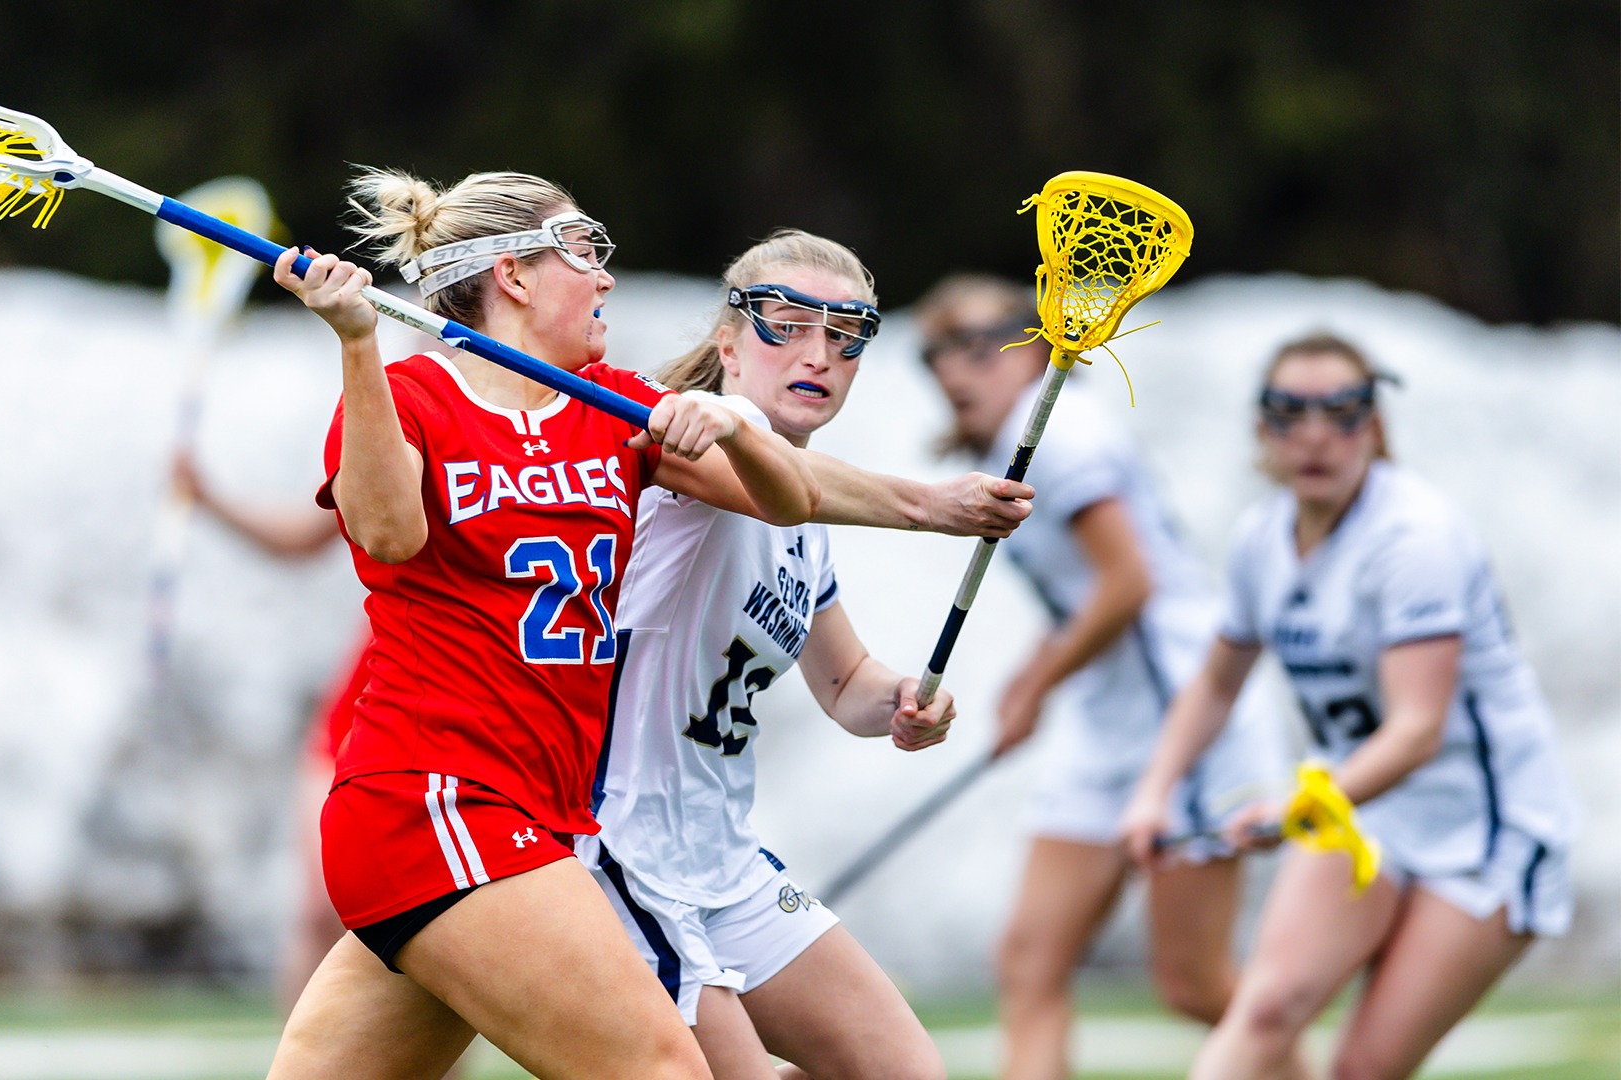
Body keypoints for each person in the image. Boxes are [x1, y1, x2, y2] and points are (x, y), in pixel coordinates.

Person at [265, 168, 821, 1080]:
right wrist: (357, 343)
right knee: (666, 1070)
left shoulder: (610, 404)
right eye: (583, 250)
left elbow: (788, 499)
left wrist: (743, 429)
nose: (605, 276)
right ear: (514, 276)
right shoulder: (414, 395)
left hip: (535, 810)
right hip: (437, 798)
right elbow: (388, 535)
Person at [583, 232, 1035, 1080]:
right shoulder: (686, 446)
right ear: (728, 343)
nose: (817, 354)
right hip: (619, 853)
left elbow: (846, 685)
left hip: (724, 857)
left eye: (845, 336)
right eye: (786, 325)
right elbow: (761, 476)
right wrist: (934, 503)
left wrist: (907, 698)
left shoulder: (805, 518)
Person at [1119, 333, 1576, 1080]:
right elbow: (1215, 683)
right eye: (1289, 413)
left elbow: (1418, 730)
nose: (1315, 436)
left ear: (1375, 423)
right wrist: (1153, 791)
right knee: (1266, 1010)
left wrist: (1296, 808)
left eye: (1342, 412)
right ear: (1260, 429)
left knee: (1364, 1067)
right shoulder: (1261, 538)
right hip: (1361, 808)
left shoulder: (1414, 539)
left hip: (1488, 827)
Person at [916, 274, 1285, 1080]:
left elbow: (1128, 582)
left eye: (980, 346)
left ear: (1037, 344)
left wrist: (1036, 682)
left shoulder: (1065, 431)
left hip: (1186, 721)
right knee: (1029, 959)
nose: (955, 370)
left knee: (1191, 982)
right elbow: (1087, 599)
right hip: (1105, 729)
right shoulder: (1010, 438)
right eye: (938, 353)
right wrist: (1043, 680)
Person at [166, 453, 365, 1012]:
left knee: (443, 933)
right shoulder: (414, 422)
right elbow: (302, 537)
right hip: (356, 717)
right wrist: (209, 498)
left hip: (459, 719)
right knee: (319, 912)